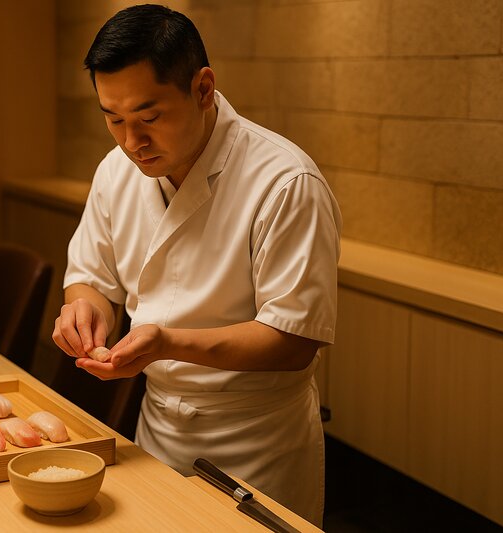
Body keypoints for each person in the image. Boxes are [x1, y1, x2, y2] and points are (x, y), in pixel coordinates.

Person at [51, 4, 341, 526]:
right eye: (113, 119)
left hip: (258, 440)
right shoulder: (117, 170)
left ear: (203, 88)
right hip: (158, 426)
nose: (131, 142)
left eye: (149, 117)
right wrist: (85, 311)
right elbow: (92, 277)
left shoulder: (285, 181)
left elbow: (294, 341)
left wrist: (166, 342)